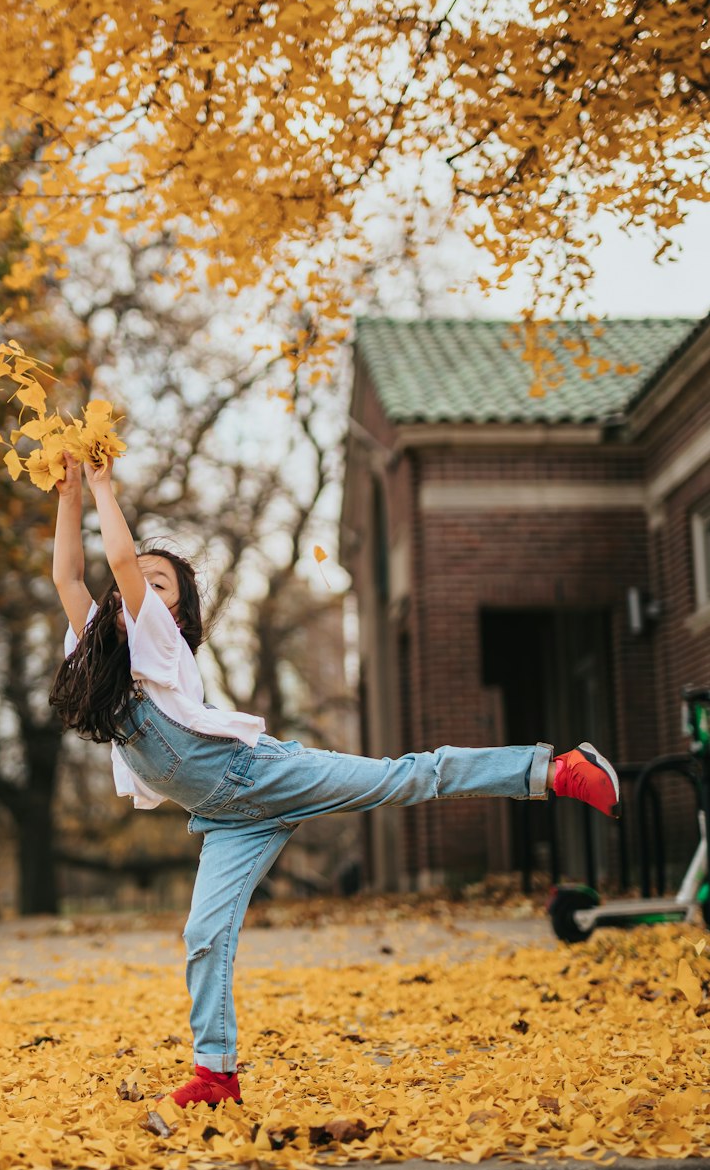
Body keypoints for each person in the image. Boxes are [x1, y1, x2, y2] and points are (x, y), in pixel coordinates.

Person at [49, 455, 621, 1110]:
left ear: (173, 615)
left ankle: (552, 770)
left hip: (260, 773)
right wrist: (68, 496)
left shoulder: (160, 647)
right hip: (227, 820)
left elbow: (121, 563)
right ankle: (216, 1074)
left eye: (158, 585)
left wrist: (101, 487)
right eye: (137, 585)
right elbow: (67, 575)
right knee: (204, 935)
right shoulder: (101, 655)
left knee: (403, 779)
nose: (136, 591)